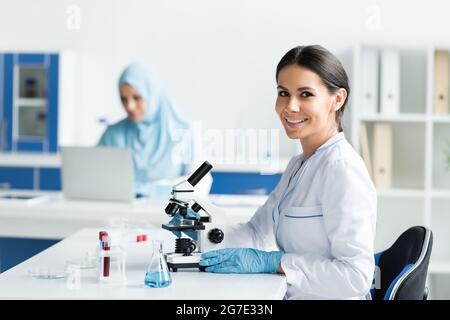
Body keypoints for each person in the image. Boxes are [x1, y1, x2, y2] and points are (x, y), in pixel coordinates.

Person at [198, 45, 377, 300]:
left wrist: (276, 262)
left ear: (337, 99)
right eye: (284, 93)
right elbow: (258, 233)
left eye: (305, 94)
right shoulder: (299, 164)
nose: (290, 106)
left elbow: (356, 277)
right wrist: (200, 233)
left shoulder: (342, 169)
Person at [98, 63, 211, 197]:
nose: (130, 106)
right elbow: (94, 178)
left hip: (168, 213)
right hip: (122, 214)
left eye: (137, 98)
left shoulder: (185, 132)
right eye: (124, 99)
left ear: (152, 94)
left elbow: (199, 184)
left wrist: (151, 190)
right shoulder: (113, 134)